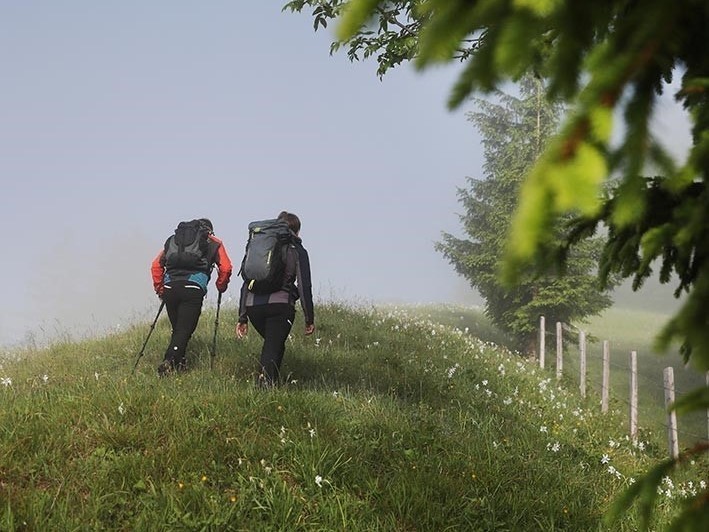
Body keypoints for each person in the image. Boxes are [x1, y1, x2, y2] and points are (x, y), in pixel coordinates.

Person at [236, 211, 315, 387]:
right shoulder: (296, 249)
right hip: (280, 306)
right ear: (297, 231)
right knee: (272, 345)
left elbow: (246, 282)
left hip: (253, 306)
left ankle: (272, 385)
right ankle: (264, 387)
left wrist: (242, 317)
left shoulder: (259, 247)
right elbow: (304, 285)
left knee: (276, 344)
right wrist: (309, 318)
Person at [151, 218, 232, 376]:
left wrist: (161, 289)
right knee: (184, 330)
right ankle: (169, 361)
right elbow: (227, 268)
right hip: (192, 289)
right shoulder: (213, 241)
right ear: (209, 230)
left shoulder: (174, 240)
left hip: (170, 288)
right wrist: (221, 285)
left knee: (178, 330)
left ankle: (180, 365)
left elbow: (155, 265)